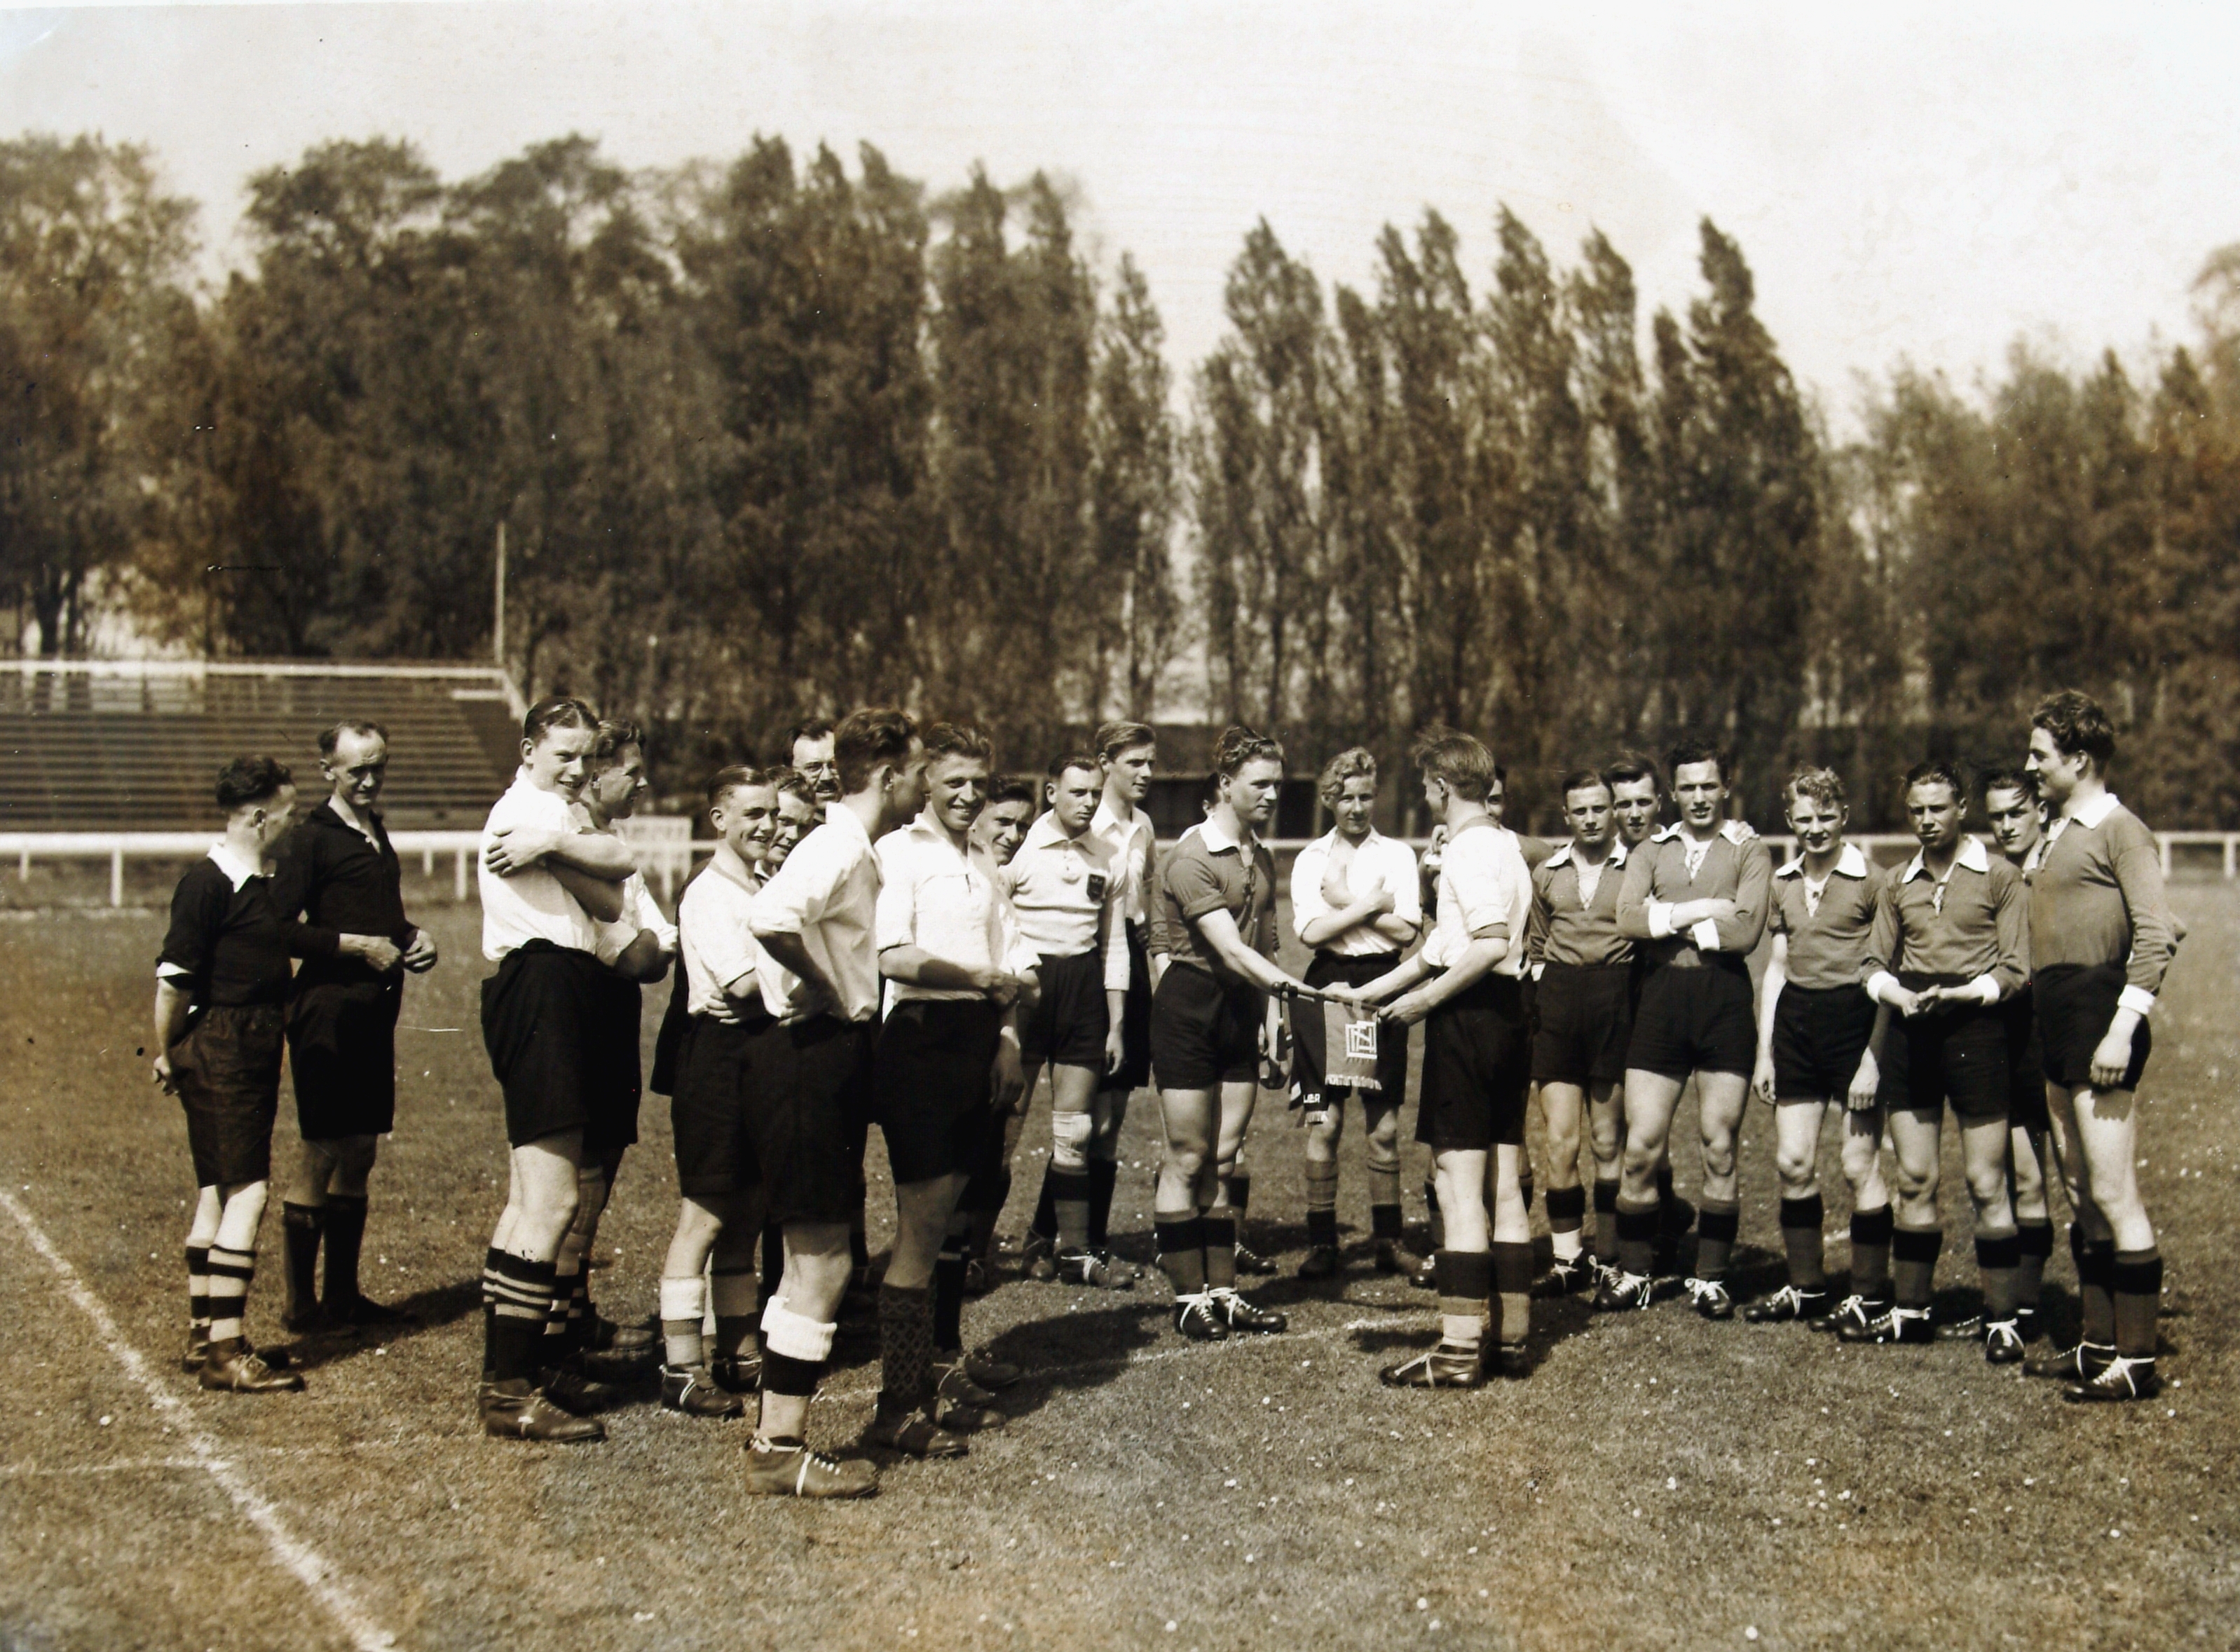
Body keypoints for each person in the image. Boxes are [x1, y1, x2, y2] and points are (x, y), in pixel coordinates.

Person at [745, 707, 928, 1496]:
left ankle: (775, 1438)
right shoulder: (837, 845)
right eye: (918, 772)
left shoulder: (853, 846)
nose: (923, 787)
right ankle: (778, 1447)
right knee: (822, 1260)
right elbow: (768, 918)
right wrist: (825, 987)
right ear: (888, 776)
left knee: (811, 1259)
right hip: (809, 1057)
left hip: (825, 1057)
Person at [865, 723, 1033, 1458]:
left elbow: (1009, 958)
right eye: (954, 781)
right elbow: (893, 954)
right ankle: (896, 1407)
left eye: (978, 784)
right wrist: (975, 979)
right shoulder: (898, 852)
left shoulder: (982, 858)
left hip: (977, 1038)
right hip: (922, 1039)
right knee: (921, 1228)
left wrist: (1007, 1039)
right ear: (925, 781)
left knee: (954, 1223)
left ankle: (936, 1371)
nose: (968, 796)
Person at [474, 696, 638, 1443]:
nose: (577, 769)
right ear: (529, 749)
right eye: (564, 754)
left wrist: (558, 846)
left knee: (531, 1201)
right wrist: (556, 840)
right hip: (540, 983)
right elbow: (615, 866)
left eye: (585, 756)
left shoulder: (555, 817)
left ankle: (518, 1371)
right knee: (551, 1199)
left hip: (561, 984)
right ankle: (508, 1387)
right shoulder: (524, 810)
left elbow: (612, 892)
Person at [1356, 730, 1535, 1387]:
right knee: (1504, 1183)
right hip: (1510, 1015)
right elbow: (1442, 946)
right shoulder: (1505, 844)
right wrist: (1371, 991)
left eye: (1426, 786)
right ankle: (1512, 1340)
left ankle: (1459, 1350)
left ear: (1440, 786)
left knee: (1458, 1184)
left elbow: (1486, 943)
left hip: (1471, 1018)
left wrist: (1424, 1003)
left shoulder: (1465, 850)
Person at [156, 756, 338, 1393]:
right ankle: (226, 1352)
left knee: (217, 1187)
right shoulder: (207, 883)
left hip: (248, 1042)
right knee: (247, 1190)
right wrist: (168, 1049)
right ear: (260, 817)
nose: (294, 824)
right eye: (288, 813)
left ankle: (205, 1334)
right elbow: (173, 982)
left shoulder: (256, 880)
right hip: (225, 1044)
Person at [2017, 691, 2180, 1402]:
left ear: (2079, 758)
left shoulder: (2123, 829)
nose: (2030, 765)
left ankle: (2137, 1361)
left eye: (2039, 754)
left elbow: (2157, 934)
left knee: (2113, 1191)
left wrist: (2120, 1027)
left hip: (2096, 1015)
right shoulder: (2056, 830)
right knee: (2081, 1192)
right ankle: (2096, 1345)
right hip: (2054, 1015)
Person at [1844, 760, 2029, 1360]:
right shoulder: (1897, 881)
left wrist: (1964, 993)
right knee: (1915, 1178)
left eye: (1938, 808)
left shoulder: (1999, 876)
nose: (1926, 820)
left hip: (1977, 1029)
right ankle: (1912, 1311)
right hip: (1912, 1028)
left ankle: (2002, 1318)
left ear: (1962, 808)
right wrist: (1900, 996)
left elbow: (2015, 969)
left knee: (1986, 1180)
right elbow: (1871, 965)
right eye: (1917, 810)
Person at [271, 721, 437, 1335]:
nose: (369, 779)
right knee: (321, 1150)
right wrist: (356, 946)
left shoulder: (374, 829)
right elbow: (276, 927)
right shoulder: (310, 837)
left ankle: (343, 1296)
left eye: (378, 767)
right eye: (356, 769)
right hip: (326, 1011)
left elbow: (379, 915)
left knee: (360, 1151)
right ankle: (300, 1306)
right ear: (327, 770)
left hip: (373, 1010)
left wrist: (413, 935)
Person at [1147, 725, 1306, 1341]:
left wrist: (1275, 1018)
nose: (1272, 795)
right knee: (1187, 1156)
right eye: (1259, 784)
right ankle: (1189, 1299)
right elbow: (1232, 950)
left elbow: (1265, 944)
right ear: (1225, 784)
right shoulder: (1191, 856)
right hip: (1190, 1005)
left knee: (1224, 1154)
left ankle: (1224, 1291)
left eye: (1277, 784)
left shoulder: (1259, 854)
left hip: (1242, 1005)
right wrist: (1299, 995)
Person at [1602, 739, 1770, 1319]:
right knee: (1641, 1147)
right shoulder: (1652, 849)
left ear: (1726, 788)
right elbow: (1627, 918)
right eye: (1689, 787)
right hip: (1662, 1001)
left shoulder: (1750, 849)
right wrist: (1704, 909)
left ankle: (1711, 1277)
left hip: (1724, 1001)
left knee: (1719, 1146)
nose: (1699, 797)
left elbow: (1747, 930)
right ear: (1673, 792)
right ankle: (1636, 1273)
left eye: (1709, 786)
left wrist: (1666, 919)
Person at [1743, 767, 1892, 1328]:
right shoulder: (1783, 882)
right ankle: (1806, 1286)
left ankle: (1869, 1294)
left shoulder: (1872, 881)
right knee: (1793, 1161)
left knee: (1857, 1165)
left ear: (1844, 816)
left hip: (1855, 1024)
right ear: (1790, 819)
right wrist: (1766, 1053)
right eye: (1804, 818)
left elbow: (1887, 974)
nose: (1816, 828)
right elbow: (1777, 969)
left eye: (1826, 816)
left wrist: (1872, 1059)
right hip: (1797, 1026)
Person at [552, 720, 675, 1378]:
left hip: (614, 1016)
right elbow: (636, 955)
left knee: (600, 1171)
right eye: (633, 771)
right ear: (596, 774)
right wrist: (651, 945)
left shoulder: (614, 843)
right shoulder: (572, 842)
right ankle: (557, 1330)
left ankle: (575, 1313)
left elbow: (655, 933)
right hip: (583, 1012)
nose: (643, 783)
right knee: (579, 1181)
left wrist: (652, 943)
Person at [659, 765, 781, 1420]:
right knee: (704, 1214)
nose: (767, 825)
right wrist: (810, 980)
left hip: (758, 1053)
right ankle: (680, 1366)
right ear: (720, 819)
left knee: (748, 1213)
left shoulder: (762, 885)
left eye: (772, 813)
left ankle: (739, 1351)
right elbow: (743, 987)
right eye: (753, 813)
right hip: (716, 1058)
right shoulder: (707, 892)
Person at [1289, 748, 1421, 1280]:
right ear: (1329, 799)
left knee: (1383, 1128)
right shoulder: (1310, 858)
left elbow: (1407, 932)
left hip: (1384, 982)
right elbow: (1311, 932)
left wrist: (1344, 900)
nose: (1358, 807)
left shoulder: (1399, 855)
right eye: (1347, 797)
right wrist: (1370, 905)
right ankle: (1323, 1244)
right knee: (1324, 1124)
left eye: (1366, 796)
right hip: (1327, 983)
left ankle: (1389, 1241)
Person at [1004, 755, 1132, 1288]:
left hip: (1082, 990)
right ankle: (970, 1249)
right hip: (1028, 988)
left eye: (1094, 793)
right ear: (1051, 791)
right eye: (1077, 792)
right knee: (1005, 1125)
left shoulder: (1109, 855)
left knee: (1076, 1128)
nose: (1088, 802)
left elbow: (1115, 942)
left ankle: (1073, 1252)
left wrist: (1116, 1023)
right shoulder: (1018, 848)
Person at [1521, 769, 1632, 1297]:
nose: (1590, 819)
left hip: (1615, 997)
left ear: (1614, 811)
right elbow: (1536, 944)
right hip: (1560, 1003)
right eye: (1580, 810)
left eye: (1599, 809)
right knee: (1560, 1142)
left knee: (1609, 1140)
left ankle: (1609, 1256)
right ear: (1566, 815)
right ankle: (1568, 1259)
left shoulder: (1637, 866)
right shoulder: (1548, 872)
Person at [1980, 768, 2060, 1342]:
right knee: (2008, 1174)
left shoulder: (2058, 867)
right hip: (1997, 1031)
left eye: (2017, 812)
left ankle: (2032, 1302)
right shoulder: (1990, 874)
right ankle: (2014, 1302)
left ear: (2041, 811)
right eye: (1997, 816)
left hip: (2048, 1031)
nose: (2007, 825)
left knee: (2040, 1175)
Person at [964, 774, 1041, 1287]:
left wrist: (1015, 982)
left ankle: (972, 1251)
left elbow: (1027, 975)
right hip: (946, 1027)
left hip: (998, 1024)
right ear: (975, 819)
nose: (1014, 835)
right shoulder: (956, 873)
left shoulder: (995, 878)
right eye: (1003, 822)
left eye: (1022, 826)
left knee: (999, 1144)